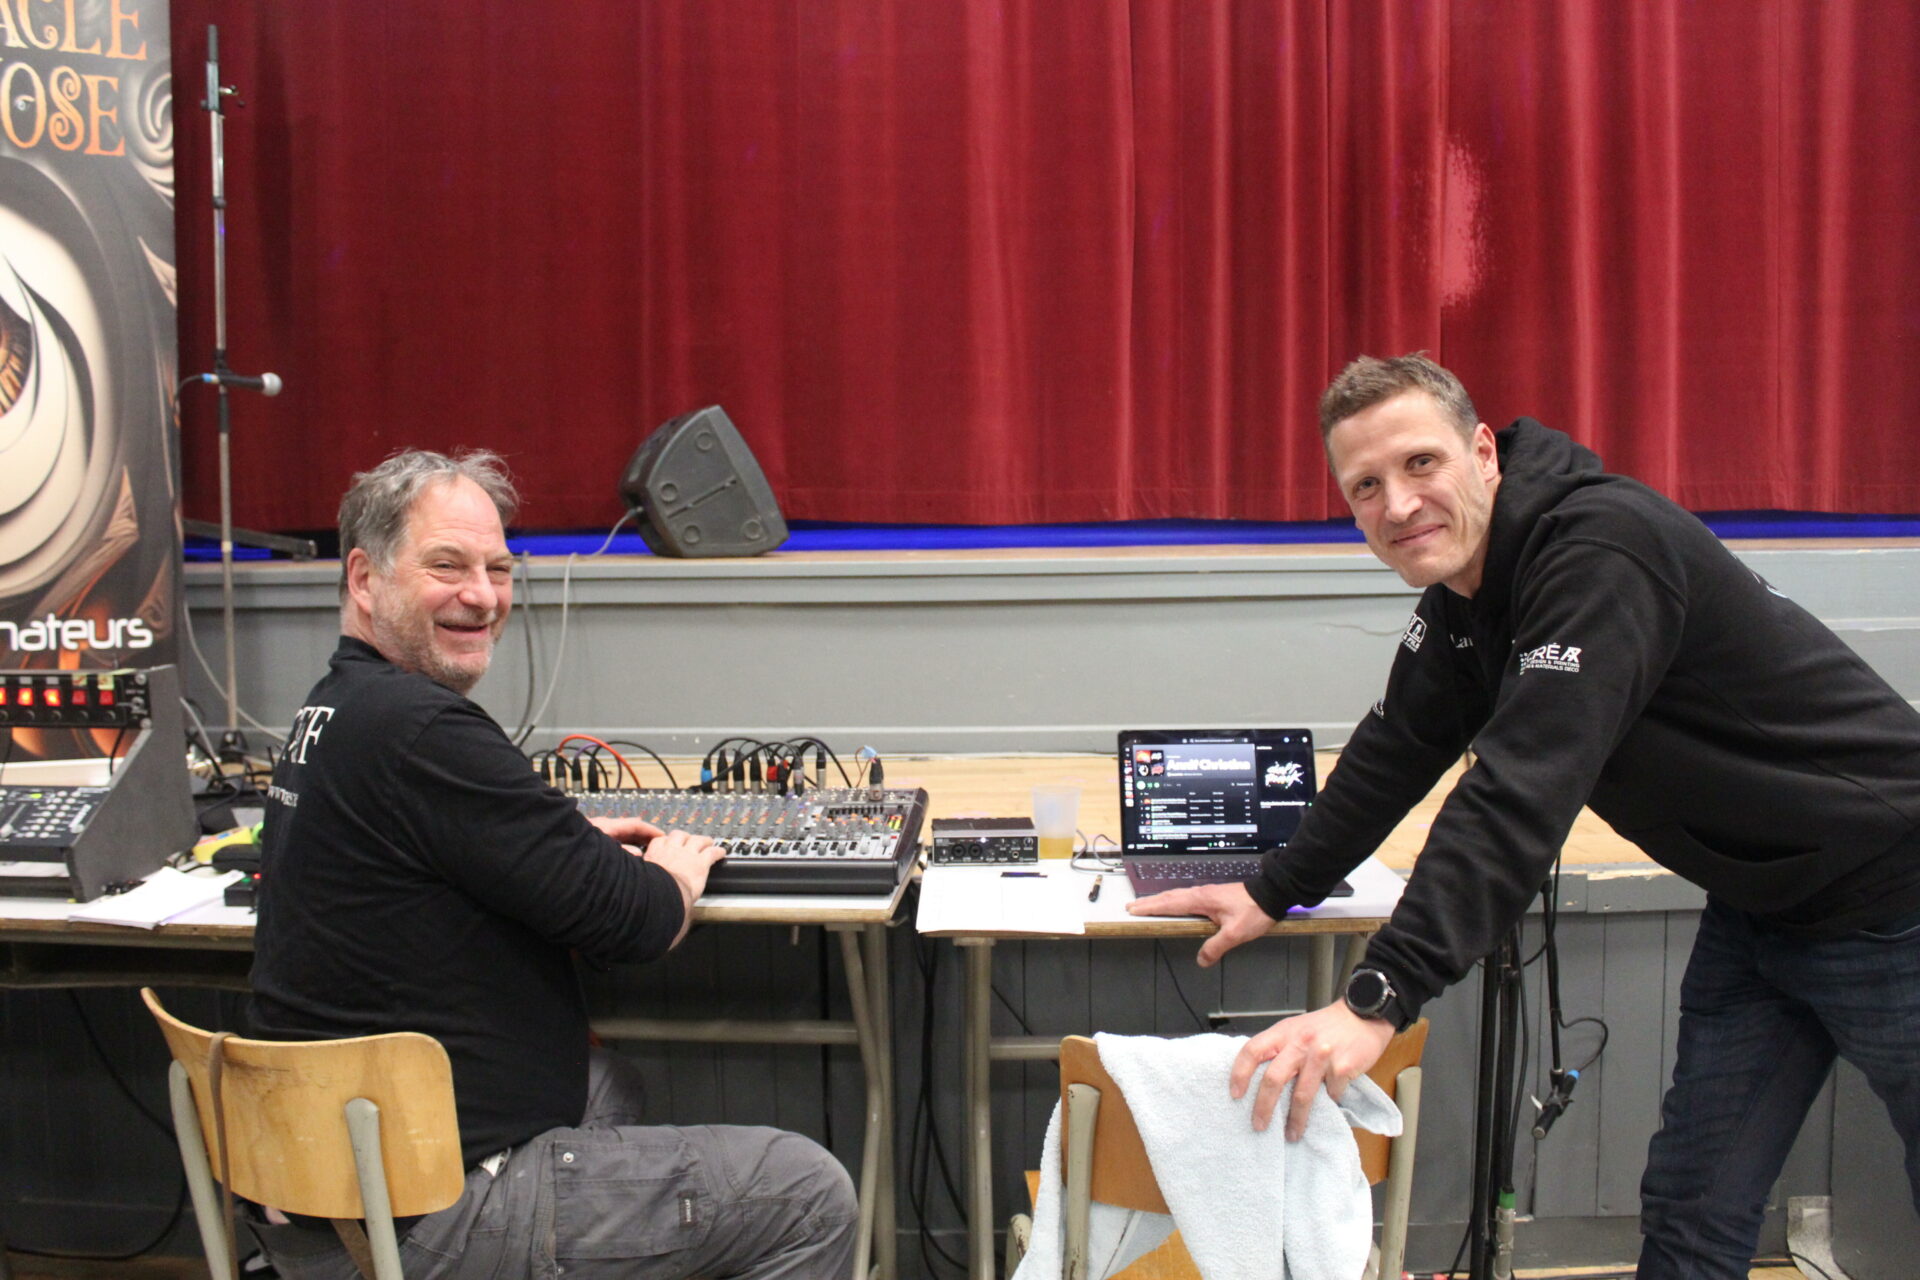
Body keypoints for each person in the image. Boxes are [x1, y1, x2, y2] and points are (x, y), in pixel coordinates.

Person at [1129, 354, 1920, 1279]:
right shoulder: (1466, 597)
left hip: (1895, 893)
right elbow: (1396, 747)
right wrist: (1274, 888)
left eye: (1420, 463)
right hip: (1762, 906)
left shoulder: (1601, 551)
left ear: (1482, 453)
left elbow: (1518, 788)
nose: (1398, 504)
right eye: (1366, 487)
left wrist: (1379, 997)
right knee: (1693, 1206)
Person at [247, 448, 857, 1279]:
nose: (482, 596)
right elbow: (631, 922)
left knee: (605, 1084)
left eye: (498, 570)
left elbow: (422, 850)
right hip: (421, 1215)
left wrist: (548, 839)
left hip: (321, 1183)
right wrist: (674, 874)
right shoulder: (421, 728)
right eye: (447, 566)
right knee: (807, 1192)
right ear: (364, 578)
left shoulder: (333, 708)